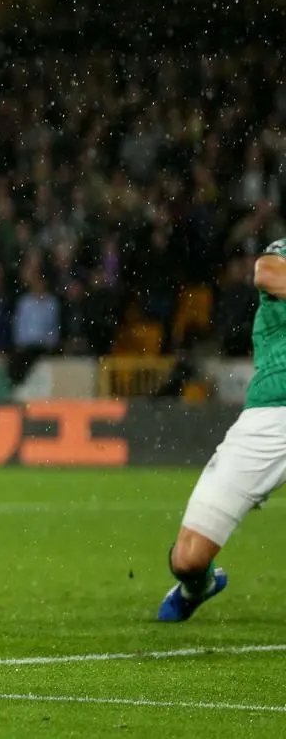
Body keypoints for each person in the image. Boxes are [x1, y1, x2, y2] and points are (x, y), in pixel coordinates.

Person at [157, 239, 286, 620]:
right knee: (187, 559)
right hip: (270, 418)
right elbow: (267, 272)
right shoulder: (279, 252)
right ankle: (200, 585)